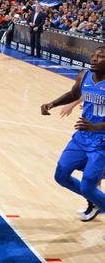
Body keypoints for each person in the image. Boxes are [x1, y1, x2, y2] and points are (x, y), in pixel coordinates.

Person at [41, 47, 105, 235]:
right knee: (61, 176)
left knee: (88, 186)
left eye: (100, 57)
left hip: (102, 141)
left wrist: (96, 127)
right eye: (93, 55)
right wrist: (51, 104)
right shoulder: (84, 76)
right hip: (81, 137)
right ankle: (95, 201)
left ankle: (95, 199)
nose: (94, 58)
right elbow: (73, 94)